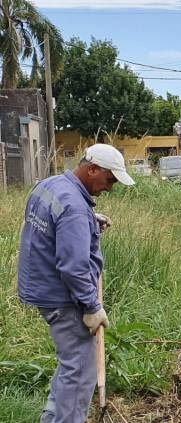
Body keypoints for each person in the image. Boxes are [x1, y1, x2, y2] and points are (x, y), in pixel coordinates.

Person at [17, 143, 135, 423]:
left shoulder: (51, 185)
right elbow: (73, 268)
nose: (110, 188)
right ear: (92, 169)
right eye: (109, 180)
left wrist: (87, 220)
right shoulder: (74, 208)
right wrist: (92, 306)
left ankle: (53, 418)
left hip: (41, 286)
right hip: (63, 297)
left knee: (70, 364)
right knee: (81, 371)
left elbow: (51, 219)